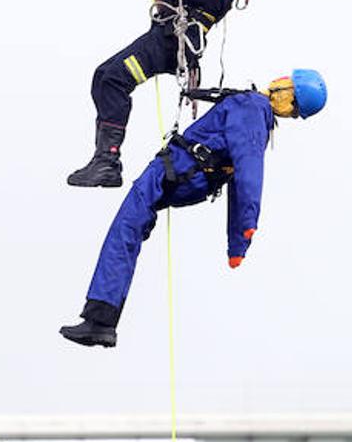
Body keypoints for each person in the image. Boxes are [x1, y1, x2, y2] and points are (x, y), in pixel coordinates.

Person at [59, 69, 327, 348]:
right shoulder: (255, 114)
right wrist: (237, 244)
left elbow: (248, 173)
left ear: (286, 89)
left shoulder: (252, 108)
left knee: (127, 225)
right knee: (131, 225)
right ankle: (101, 318)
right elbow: (240, 174)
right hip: (187, 174)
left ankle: (100, 320)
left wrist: (245, 229)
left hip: (178, 171)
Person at [66, 0, 246, 188]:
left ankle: (107, 162)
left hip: (174, 40)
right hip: (166, 34)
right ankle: (104, 159)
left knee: (114, 79)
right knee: (103, 76)